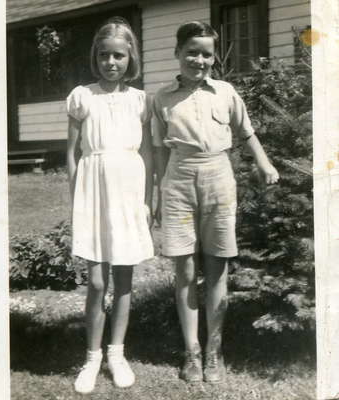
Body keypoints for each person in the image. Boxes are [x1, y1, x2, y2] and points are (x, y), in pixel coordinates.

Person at [152, 21, 279, 384]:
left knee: (217, 266)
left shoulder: (225, 92)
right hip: (178, 179)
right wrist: (160, 193)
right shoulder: (161, 98)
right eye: (192, 51)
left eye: (207, 53)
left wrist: (264, 162)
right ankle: (191, 351)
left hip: (218, 177)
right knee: (186, 270)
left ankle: (214, 350)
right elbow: (160, 151)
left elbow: (247, 132)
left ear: (214, 58)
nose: (199, 59)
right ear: (177, 53)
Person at [66, 17, 154, 394]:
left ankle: (117, 354)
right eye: (104, 55)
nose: (111, 62)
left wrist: (148, 202)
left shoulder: (140, 100)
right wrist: (76, 199)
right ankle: (92, 357)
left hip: (129, 193)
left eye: (118, 55)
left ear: (129, 57)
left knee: (123, 279)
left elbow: (149, 156)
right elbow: (70, 154)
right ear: (96, 58)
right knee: (97, 281)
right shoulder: (82, 96)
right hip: (93, 194)